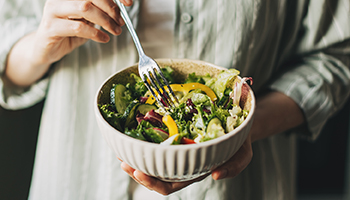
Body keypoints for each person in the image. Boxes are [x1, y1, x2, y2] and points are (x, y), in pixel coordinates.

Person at [1, 0, 350, 199]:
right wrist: (40, 46)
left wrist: (243, 129)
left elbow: (337, 56)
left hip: (238, 187)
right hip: (79, 178)